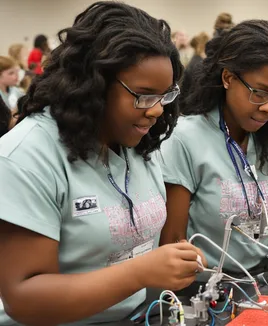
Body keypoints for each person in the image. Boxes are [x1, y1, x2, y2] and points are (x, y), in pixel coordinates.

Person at [0, 3, 205, 325]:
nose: (156, 111)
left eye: (165, 96)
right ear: (92, 84)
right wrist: (141, 271)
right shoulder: (27, 156)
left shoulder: (134, 139)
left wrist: (174, 260)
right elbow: (24, 298)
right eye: (143, 95)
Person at [159, 20, 268, 275]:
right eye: (259, 93)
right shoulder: (185, 139)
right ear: (228, 78)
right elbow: (173, 242)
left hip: (267, 279)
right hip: (207, 288)